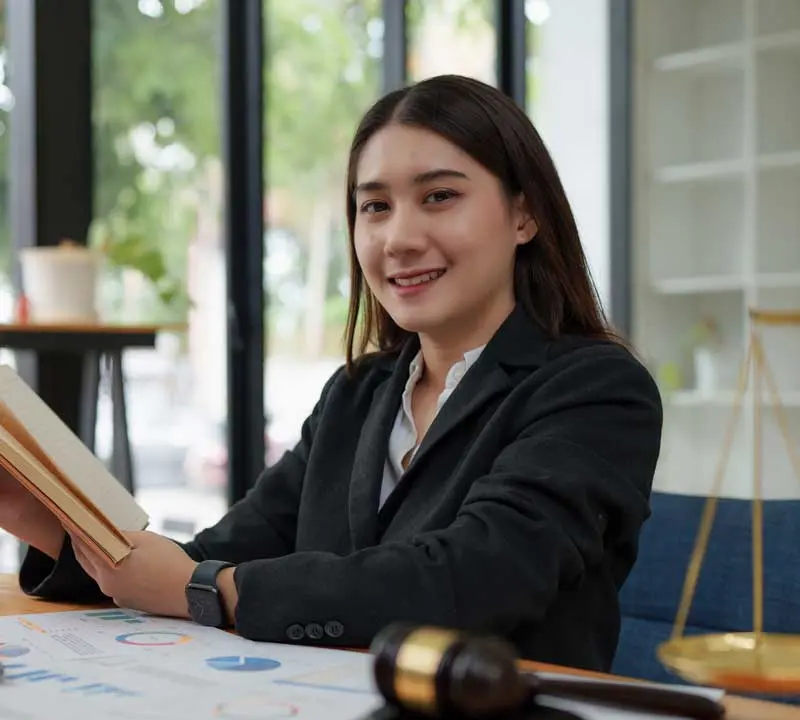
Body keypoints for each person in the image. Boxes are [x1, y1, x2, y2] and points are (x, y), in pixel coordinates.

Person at [1, 75, 662, 672]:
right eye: (374, 207)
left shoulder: (596, 390)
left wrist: (199, 587)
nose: (398, 238)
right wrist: (34, 514)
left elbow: (468, 582)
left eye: (438, 196)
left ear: (525, 214)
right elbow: (210, 556)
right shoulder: (358, 394)